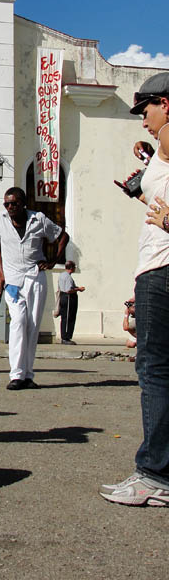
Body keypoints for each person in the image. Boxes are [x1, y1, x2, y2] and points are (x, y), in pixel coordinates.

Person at [100, 73, 169, 506]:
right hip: (159, 266)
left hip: (162, 270)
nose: (143, 119)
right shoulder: (160, 149)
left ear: (165, 103)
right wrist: (141, 193)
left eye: (145, 109)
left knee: (156, 371)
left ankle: (155, 475)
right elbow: (158, 210)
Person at [0, 186, 69, 390]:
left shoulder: (38, 219)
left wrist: (53, 261)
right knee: (18, 321)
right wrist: (0, 273)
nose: (10, 207)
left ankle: (27, 374)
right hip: (12, 281)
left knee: (32, 325)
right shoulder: (0, 219)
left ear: (23, 203)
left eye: (14, 203)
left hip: (35, 277)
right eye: (6, 204)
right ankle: (16, 374)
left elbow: (62, 236)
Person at [57, 261, 85, 345]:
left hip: (63, 296)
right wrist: (78, 289)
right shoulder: (68, 277)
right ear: (71, 268)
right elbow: (69, 290)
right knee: (68, 318)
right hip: (68, 298)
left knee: (64, 317)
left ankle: (65, 337)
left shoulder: (61, 275)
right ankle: (66, 337)